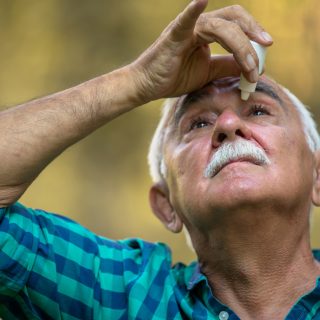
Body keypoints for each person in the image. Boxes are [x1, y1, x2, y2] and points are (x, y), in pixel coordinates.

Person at [0, 0, 319, 319]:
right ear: (166, 205)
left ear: (317, 176)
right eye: (199, 123)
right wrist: (136, 82)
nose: (227, 124)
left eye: (259, 111)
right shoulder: (122, 297)